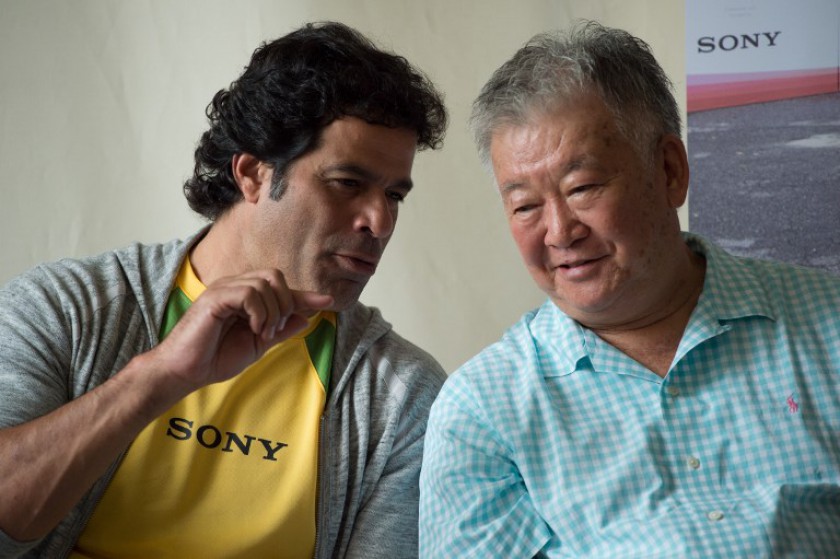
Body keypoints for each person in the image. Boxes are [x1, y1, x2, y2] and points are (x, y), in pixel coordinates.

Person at [0, 21, 447, 559]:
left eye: (394, 195)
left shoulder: (401, 396)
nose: (379, 221)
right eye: (347, 184)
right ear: (253, 173)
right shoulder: (66, 309)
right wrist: (159, 378)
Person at [420, 21, 840, 558]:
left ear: (669, 170)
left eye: (583, 188)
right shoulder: (482, 412)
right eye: (525, 205)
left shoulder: (826, 325)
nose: (559, 231)